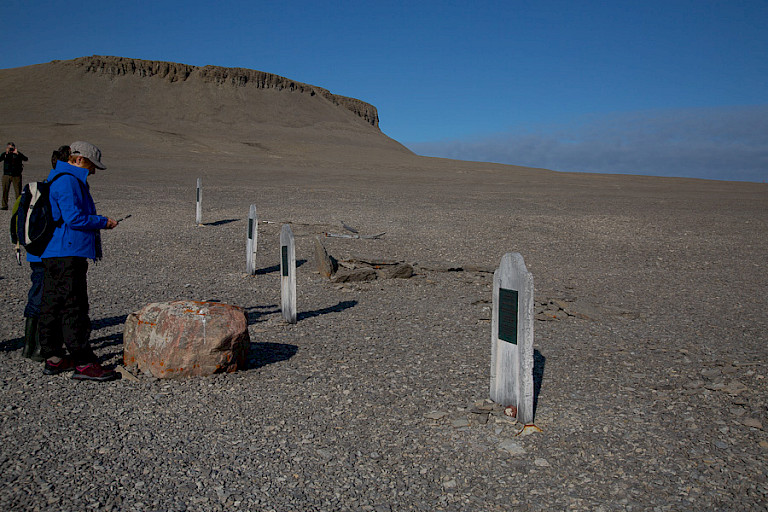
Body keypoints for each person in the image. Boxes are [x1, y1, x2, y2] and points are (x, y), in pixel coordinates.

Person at [37, 141, 119, 381]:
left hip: (56, 252)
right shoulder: (69, 181)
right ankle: (84, 362)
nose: (93, 171)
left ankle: (54, 357)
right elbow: (74, 218)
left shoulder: (59, 177)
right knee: (74, 307)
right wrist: (102, 221)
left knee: (53, 305)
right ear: (80, 159)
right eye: (92, 165)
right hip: (68, 253)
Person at [21, 146, 71, 362]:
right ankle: (43, 347)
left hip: (34, 251)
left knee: (36, 293)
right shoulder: (58, 188)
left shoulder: (40, 187)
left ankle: (28, 346)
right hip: (49, 252)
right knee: (48, 298)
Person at [1, 142, 28, 210]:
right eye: (9, 148)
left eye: (12, 148)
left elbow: (25, 159)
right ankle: (4, 205)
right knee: (5, 191)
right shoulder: (5, 154)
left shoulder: (18, 154)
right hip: (7, 175)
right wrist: (6, 154)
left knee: (18, 192)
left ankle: (19, 206)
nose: (11, 149)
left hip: (16, 175)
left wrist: (18, 153)